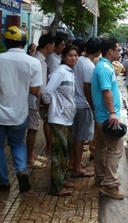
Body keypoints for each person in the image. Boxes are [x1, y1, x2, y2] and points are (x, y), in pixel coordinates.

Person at [0, 26, 42, 193]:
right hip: (20, 113)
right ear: (24, 43)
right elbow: (34, 91)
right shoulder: (33, 62)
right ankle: (21, 169)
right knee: (17, 144)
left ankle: (3, 181)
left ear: (6, 41)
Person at [42, 45, 79, 197]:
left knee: (65, 150)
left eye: (76, 55)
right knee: (59, 152)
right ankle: (55, 187)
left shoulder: (70, 72)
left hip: (67, 118)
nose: (74, 58)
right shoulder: (60, 72)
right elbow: (46, 91)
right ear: (64, 57)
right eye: (70, 55)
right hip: (59, 119)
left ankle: (61, 179)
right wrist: (53, 108)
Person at [91, 37, 125, 199]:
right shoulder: (104, 68)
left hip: (102, 115)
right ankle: (109, 184)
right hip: (107, 117)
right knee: (116, 149)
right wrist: (112, 113)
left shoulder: (104, 66)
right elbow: (106, 91)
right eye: (118, 49)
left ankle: (99, 177)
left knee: (101, 147)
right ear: (110, 51)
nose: (119, 52)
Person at [68, 38, 101, 178]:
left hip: (73, 103)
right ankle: (77, 168)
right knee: (80, 138)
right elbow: (87, 88)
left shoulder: (77, 60)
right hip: (82, 105)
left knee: (74, 136)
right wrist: (93, 106)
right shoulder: (89, 66)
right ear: (99, 52)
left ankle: (72, 163)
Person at [26, 34, 55, 169]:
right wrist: (42, 97)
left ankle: (32, 154)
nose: (53, 48)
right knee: (32, 129)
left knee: (34, 128)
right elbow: (37, 85)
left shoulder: (41, 59)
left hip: (37, 97)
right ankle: (29, 159)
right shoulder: (37, 60)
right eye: (53, 45)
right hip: (34, 99)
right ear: (48, 45)